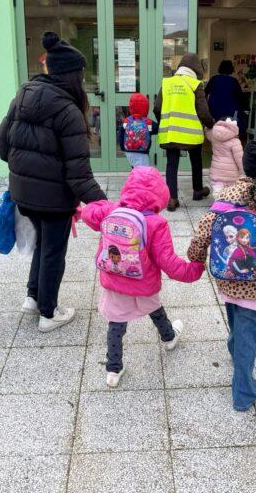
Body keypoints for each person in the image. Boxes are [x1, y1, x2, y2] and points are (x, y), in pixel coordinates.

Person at [0, 31, 106, 332]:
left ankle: (32, 297)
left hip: (23, 193)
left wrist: (25, 170)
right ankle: (48, 312)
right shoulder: (68, 110)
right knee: (53, 251)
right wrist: (106, 205)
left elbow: (1, 141)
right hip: (53, 199)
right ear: (72, 76)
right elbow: (78, 174)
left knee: (42, 242)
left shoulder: (23, 96)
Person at [188, 141, 256, 410]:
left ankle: (235, 349)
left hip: (227, 274)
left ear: (245, 165)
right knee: (250, 332)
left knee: (235, 314)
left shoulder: (226, 194)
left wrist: (195, 257)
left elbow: (203, 231)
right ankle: (243, 393)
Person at [82, 166, 204, 388]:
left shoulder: (111, 210)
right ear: (160, 195)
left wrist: (92, 207)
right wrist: (194, 270)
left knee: (116, 323)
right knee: (155, 310)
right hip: (143, 282)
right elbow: (168, 262)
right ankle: (168, 338)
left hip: (114, 280)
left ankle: (113, 369)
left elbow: (90, 213)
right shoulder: (156, 223)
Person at [154, 53, 215, 211]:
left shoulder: (166, 83)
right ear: (196, 69)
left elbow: (157, 108)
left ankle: (172, 199)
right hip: (191, 133)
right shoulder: (195, 84)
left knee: (171, 165)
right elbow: (203, 111)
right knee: (196, 160)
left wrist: (164, 123)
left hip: (170, 133)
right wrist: (211, 124)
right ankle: (197, 190)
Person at [205, 60, 248, 134]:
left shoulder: (214, 79)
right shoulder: (233, 81)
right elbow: (240, 97)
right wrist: (246, 108)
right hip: (230, 112)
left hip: (215, 111)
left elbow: (205, 93)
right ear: (231, 69)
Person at [207, 117, 244, 196]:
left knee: (217, 189)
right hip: (231, 173)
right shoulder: (235, 141)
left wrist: (208, 126)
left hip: (216, 170)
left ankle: (217, 202)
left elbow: (207, 132)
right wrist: (242, 171)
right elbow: (240, 159)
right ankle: (227, 204)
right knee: (231, 193)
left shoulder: (213, 136)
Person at [118, 92, 154, 168]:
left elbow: (120, 135)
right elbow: (157, 129)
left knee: (135, 170)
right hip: (143, 152)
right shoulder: (148, 122)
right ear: (146, 107)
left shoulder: (126, 121)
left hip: (129, 151)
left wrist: (123, 147)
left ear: (131, 107)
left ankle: (134, 179)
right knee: (143, 173)